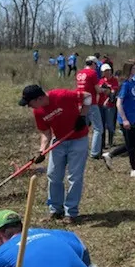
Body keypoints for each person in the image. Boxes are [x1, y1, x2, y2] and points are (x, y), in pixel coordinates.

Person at [19, 84, 90, 222]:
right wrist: (42, 150)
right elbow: (46, 133)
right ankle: (56, 210)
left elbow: (87, 96)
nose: (29, 107)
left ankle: (71, 213)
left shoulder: (62, 95)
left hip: (78, 139)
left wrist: (83, 116)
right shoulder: (38, 111)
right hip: (59, 141)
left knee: (74, 177)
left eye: (30, 103)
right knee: (53, 175)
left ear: (39, 98)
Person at [101, 60, 135, 177]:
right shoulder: (125, 84)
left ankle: (110, 155)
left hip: (134, 117)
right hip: (126, 119)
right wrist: (124, 119)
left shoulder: (134, 83)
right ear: (129, 70)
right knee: (132, 146)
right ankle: (134, 169)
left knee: (132, 144)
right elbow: (119, 104)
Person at [77, 56, 103, 160]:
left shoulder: (79, 73)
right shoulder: (92, 73)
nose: (96, 67)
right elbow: (97, 90)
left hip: (80, 102)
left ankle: (83, 150)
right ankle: (95, 152)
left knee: (84, 128)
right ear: (92, 63)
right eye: (96, 65)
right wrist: (104, 90)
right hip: (91, 103)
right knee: (98, 128)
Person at [97, 64, 119, 149]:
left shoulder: (114, 80)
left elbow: (113, 92)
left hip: (110, 105)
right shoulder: (101, 81)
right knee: (102, 125)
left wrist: (108, 95)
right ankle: (102, 144)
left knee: (110, 124)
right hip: (100, 105)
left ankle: (110, 141)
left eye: (108, 70)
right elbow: (99, 91)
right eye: (105, 71)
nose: (107, 72)